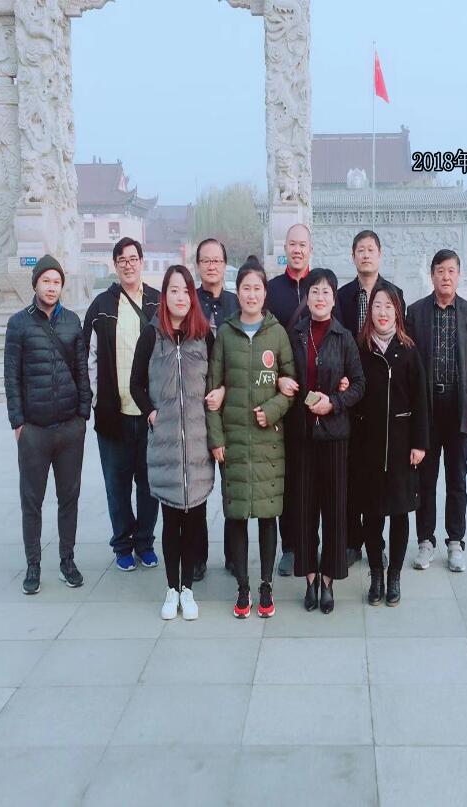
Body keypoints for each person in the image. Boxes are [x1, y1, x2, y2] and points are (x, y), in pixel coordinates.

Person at [207, 261, 296, 618]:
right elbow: (212, 390)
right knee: (237, 516)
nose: (252, 294)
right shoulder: (225, 334)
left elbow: (290, 386)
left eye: (258, 288)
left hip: (267, 442)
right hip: (234, 441)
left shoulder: (277, 334)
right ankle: (243, 587)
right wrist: (216, 439)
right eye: (246, 288)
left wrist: (271, 410)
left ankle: (266, 586)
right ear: (238, 291)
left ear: (265, 293)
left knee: (267, 516)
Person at [130, 265, 216, 621]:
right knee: (170, 521)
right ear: (164, 296)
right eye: (173, 291)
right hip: (165, 445)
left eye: (185, 291)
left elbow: (217, 380)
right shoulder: (152, 335)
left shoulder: (203, 337)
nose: (180, 297)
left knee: (194, 520)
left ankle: (188, 589)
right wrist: (151, 412)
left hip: (197, 445)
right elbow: (135, 384)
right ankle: (171, 588)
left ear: (193, 296)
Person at [3, 254, 92, 595]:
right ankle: (33, 565)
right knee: (32, 501)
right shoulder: (18, 324)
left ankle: (67, 561)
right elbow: (11, 377)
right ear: (36, 284)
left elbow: (82, 371)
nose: (51, 287)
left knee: (69, 497)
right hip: (34, 431)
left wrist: (82, 416)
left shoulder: (72, 321)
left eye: (56, 282)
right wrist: (18, 423)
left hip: (70, 428)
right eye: (46, 281)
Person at [286, 268, 366, 614]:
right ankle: (309, 578)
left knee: (334, 509)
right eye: (315, 291)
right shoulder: (295, 334)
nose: (320, 298)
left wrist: (334, 401)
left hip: (335, 436)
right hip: (302, 435)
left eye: (326, 292)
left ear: (334, 299)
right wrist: (288, 386)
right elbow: (284, 375)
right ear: (307, 298)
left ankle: (329, 580)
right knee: (304, 509)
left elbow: (359, 384)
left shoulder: (344, 337)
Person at [405, 249, 467, 573]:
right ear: (432, 275)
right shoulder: (416, 313)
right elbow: (410, 366)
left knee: (457, 479)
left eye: (451, 271)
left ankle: (455, 542)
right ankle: (425, 541)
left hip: (458, 409)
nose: (446, 276)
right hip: (426, 410)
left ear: (458, 274)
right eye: (440, 271)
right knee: (425, 480)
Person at [83, 237, 161, 573]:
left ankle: (145, 542)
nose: (128, 265)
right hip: (113, 413)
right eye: (122, 260)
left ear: (142, 262)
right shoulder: (102, 305)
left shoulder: (157, 302)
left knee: (149, 485)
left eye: (133, 258)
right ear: (115, 265)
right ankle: (122, 544)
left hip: (149, 414)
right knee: (116, 485)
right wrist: (97, 399)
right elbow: (88, 356)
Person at [350, 286, 428, 606]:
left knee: (399, 514)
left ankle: (394, 575)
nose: (382, 312)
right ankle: (376, 574)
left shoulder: (408, 351)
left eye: (388, 306)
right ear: (370, 312)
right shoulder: (360, 349)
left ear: (397, 312)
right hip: (367, 448)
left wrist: (420, 443)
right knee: (371, 516)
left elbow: (421, 401)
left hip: (400, 447)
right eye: (377, 306)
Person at [335, 229, 407, 567]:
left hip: (383, 394)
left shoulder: (394, 294)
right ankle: (353, 540)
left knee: (380, 473)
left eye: (371, 250)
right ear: (353, 256)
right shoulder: (342, 296)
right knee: (353, 473)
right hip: (352, 393)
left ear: (380, 255)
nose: (365, 255)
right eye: (360, 250)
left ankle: (378, 543)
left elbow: (401, 343)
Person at [267, 223, 314, 577]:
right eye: (292, 244)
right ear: (285, 248)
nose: (297, 250)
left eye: (303, 244)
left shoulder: (321, 286)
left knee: (317, 477)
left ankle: (316, 543)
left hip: (317, 398)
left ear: (310, 249)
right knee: (287, 477)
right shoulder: (271, 291)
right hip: (282, 397)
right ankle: (290, 546)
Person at [192, 238, 240, 581]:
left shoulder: (237, 304)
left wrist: (227, 389)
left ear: (225, 264)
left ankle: (234, 555)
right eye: (205, 261)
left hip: (231, 406)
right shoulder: (188, 302)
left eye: (217, 261)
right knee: (197, 488)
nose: (211, 266)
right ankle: (197, 557)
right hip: (196, 408)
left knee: (232, 487)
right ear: (198, 266)